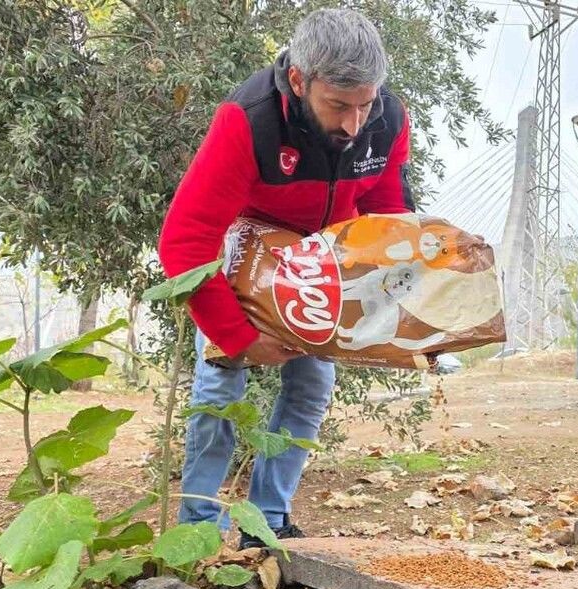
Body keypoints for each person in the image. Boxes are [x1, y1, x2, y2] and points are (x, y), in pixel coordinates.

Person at [157, 9, 415, 545]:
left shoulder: (387, 119)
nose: (353, 124)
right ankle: (199, 527)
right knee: (220, 383)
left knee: (312, 385)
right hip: (248, 254)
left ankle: (268, 521)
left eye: (364, 105)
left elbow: (386, 205)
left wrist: (400, 283)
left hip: (322, 262)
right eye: (338, 106)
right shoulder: (247, 120)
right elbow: (185, 240)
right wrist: (240, 338)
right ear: (300, 81)